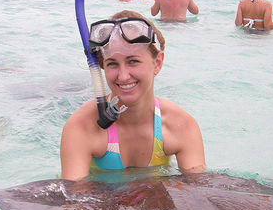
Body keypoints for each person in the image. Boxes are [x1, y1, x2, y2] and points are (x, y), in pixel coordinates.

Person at [60, 10, 205, 181]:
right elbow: (75, 202)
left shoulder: (182, 126)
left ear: (157, 63)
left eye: (133, 61)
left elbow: (197, 195)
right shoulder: (81, 127)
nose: (123, 76)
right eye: (112, 64)